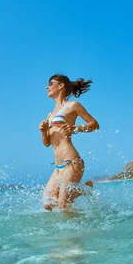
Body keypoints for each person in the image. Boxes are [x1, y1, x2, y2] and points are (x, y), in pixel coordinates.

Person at [39, 74, 100, 211]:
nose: (47, 87)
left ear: (60, 86)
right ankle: (83, 189)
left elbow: (94, 124)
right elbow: (47, 143)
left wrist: (76, 128)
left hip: (72, 162)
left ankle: (76, 232)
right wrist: (43, 132)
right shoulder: (50, 114)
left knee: (63, 205)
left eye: (51, 83)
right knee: (48, 204)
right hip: (58, 167)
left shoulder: (72, 106)